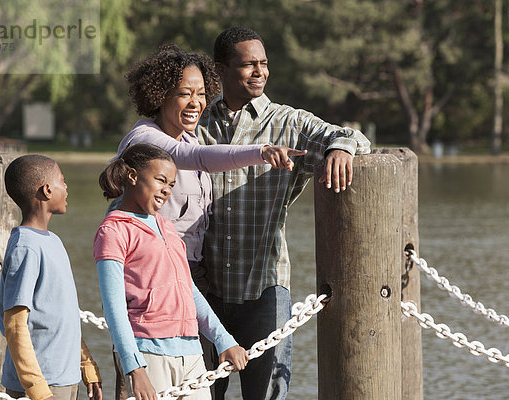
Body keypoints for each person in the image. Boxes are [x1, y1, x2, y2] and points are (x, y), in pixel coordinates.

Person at [113, 44, 305, 398]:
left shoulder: (188, 135)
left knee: (194, 381)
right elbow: (197, 157)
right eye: (184, 94)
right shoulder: (146, 140)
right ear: (159, 96)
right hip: (150, 284)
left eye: (201, 94)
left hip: (194, 279)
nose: (195, 103)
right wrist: (260, 152)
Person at [195, 27, 372, 400]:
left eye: (264, 63)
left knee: (269, 396)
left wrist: (340, 149)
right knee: (199, 394)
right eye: (248, 65)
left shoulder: (288, 123)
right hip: (204, 289)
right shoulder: (198, 126)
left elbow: (352, 137)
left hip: (265, 288)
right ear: (221, 71)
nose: (260, 72)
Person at [94, 143, 250, 400]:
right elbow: (114, 309)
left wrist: (224, 340)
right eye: (160, 180)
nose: (167, 189)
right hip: (149, 355)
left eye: (171, 184)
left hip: (191, 352)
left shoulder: (167, 228)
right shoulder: (113, 231)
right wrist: (135, 368)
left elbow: (191, 292)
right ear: (133, 176)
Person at [0, 155, 102, 400]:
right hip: (43, 387)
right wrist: (37, 390)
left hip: (65, 380)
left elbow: (63, 315)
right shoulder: (26, 247)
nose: (66, 188)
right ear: (46, 190)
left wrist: (86, 364)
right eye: (62, 182)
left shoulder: (52, 241)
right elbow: (14, 324)